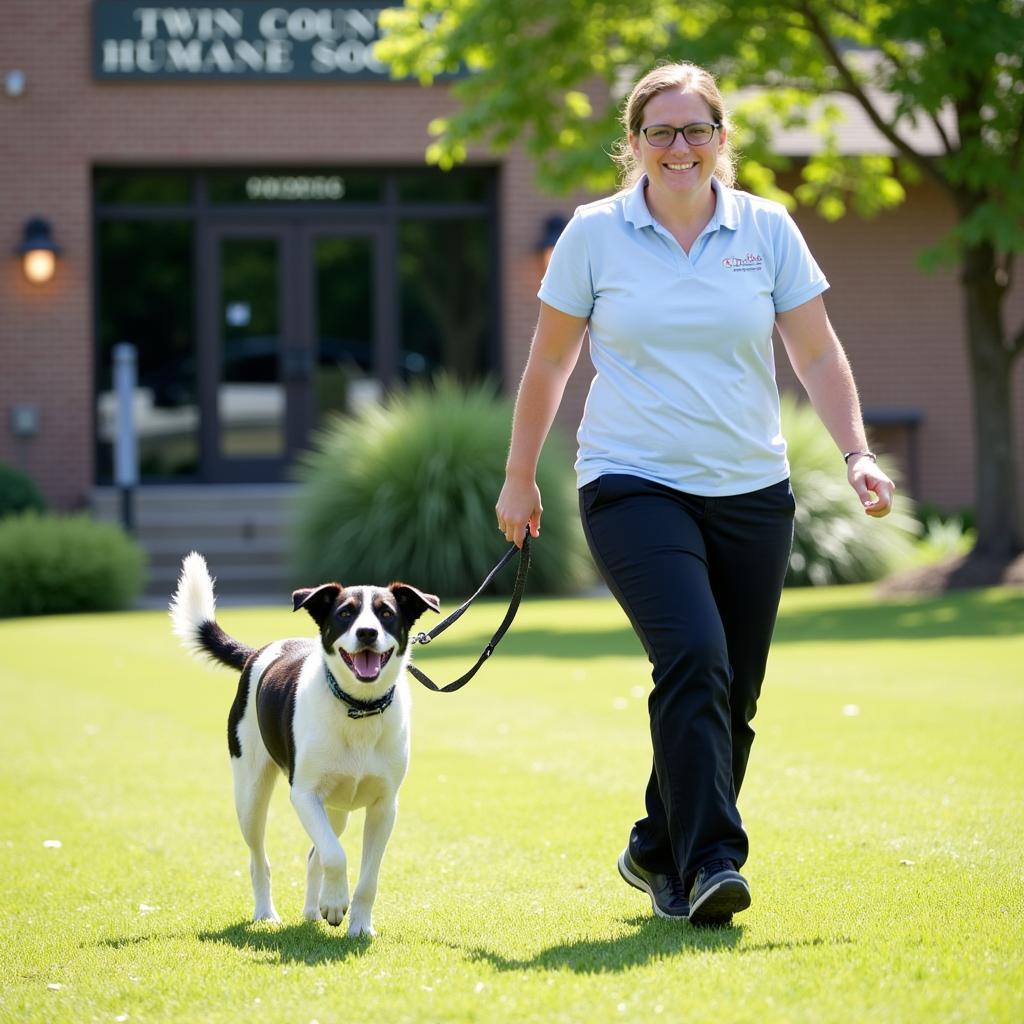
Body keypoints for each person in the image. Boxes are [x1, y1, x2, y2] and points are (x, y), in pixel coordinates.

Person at [494, 61, 895, 927]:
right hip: (632, 482)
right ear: (634, 143)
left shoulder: (768, 229)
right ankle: (711, 860)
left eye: (697, 130)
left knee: (733, 691)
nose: (680, 147)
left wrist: (857, 451)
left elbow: (817, 354)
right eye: (661, 132)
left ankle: (655, 845)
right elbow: (552, 361)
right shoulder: (594, 234)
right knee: (694, 659)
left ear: (721, 140)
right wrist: (521, 474)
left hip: (752, 487)